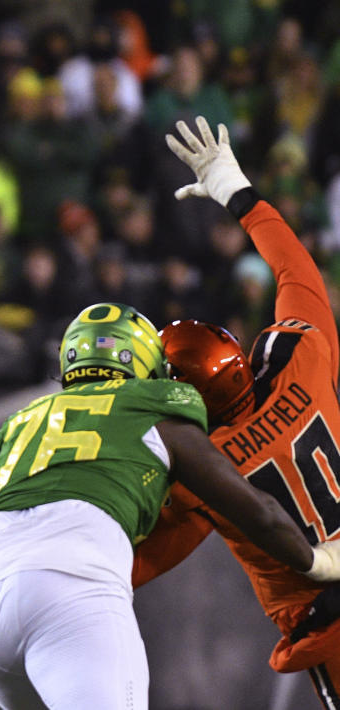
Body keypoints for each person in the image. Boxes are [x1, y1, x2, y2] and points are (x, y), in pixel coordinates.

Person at [0, 301, 340, 710]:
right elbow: (258, 512)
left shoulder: (26, 419)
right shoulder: (157, 408)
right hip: (64, 588)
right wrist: (317, 561)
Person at [132, 117, 340, 707]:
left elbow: (132, 564)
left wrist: (20, 523)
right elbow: (299, 273)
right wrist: (240, 195)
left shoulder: (203, 468)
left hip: (329, 621)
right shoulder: (302, 355)